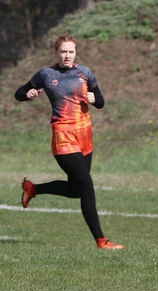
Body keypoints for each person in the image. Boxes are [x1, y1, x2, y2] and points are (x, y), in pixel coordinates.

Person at [14, 35, 123, 250]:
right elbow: (18, 93)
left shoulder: (85, 72)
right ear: (57, 52)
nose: (67, 55)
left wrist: (95, 99)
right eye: (63, 51)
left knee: (76, 190)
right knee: (87, 186)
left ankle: (33, 189)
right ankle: (102, 241)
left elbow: (100, 101)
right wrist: (29, 94)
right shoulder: (47, 74)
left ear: (75, 53)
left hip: (85, 135)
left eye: (71, 52)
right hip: (63, 136)